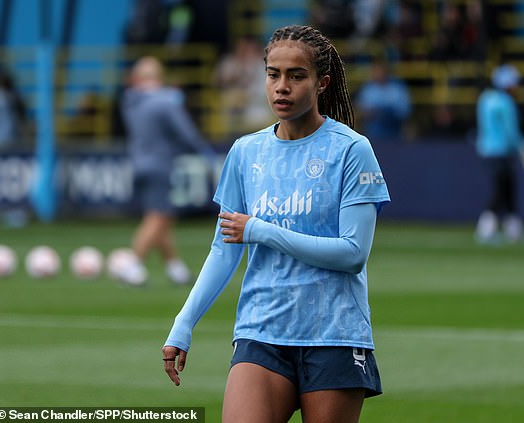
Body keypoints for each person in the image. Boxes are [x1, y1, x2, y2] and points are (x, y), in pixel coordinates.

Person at [162, 25, 390, 423]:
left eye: (296, 76)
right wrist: (183, 323)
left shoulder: (352, 150)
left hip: (333, 335)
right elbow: (224, 248)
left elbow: (353, 254)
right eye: (273, 74)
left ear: (322, 83)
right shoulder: (245, 152)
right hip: (260, 332)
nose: (281, 87)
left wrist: (261, 231)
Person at [120, 56, 216, 285]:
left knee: (161, 216)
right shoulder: (164, 102)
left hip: (138, 163)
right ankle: (132, 264)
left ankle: (175, 268)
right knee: (159, 216)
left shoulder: (131, 102)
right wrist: (205, 153)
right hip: (160, 165)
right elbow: (186, 132)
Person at [474, 64, 524, 244]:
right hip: (502, 150)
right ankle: (486, 229)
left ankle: (514, 230)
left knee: (507, 188)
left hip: (487, 150)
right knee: (502, 190)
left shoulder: (485, 98)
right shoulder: (506, 102)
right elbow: (511, 132)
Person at [355, 59, 412, 142]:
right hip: (374, 129)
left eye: (380, 71)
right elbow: (360, 110)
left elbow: (405, 110)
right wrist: (372, 113)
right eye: (375, 71)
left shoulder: (397, 88)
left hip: (395, 128)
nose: (378, 74)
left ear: (386, 72)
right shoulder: (368, 89)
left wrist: (387, 113)